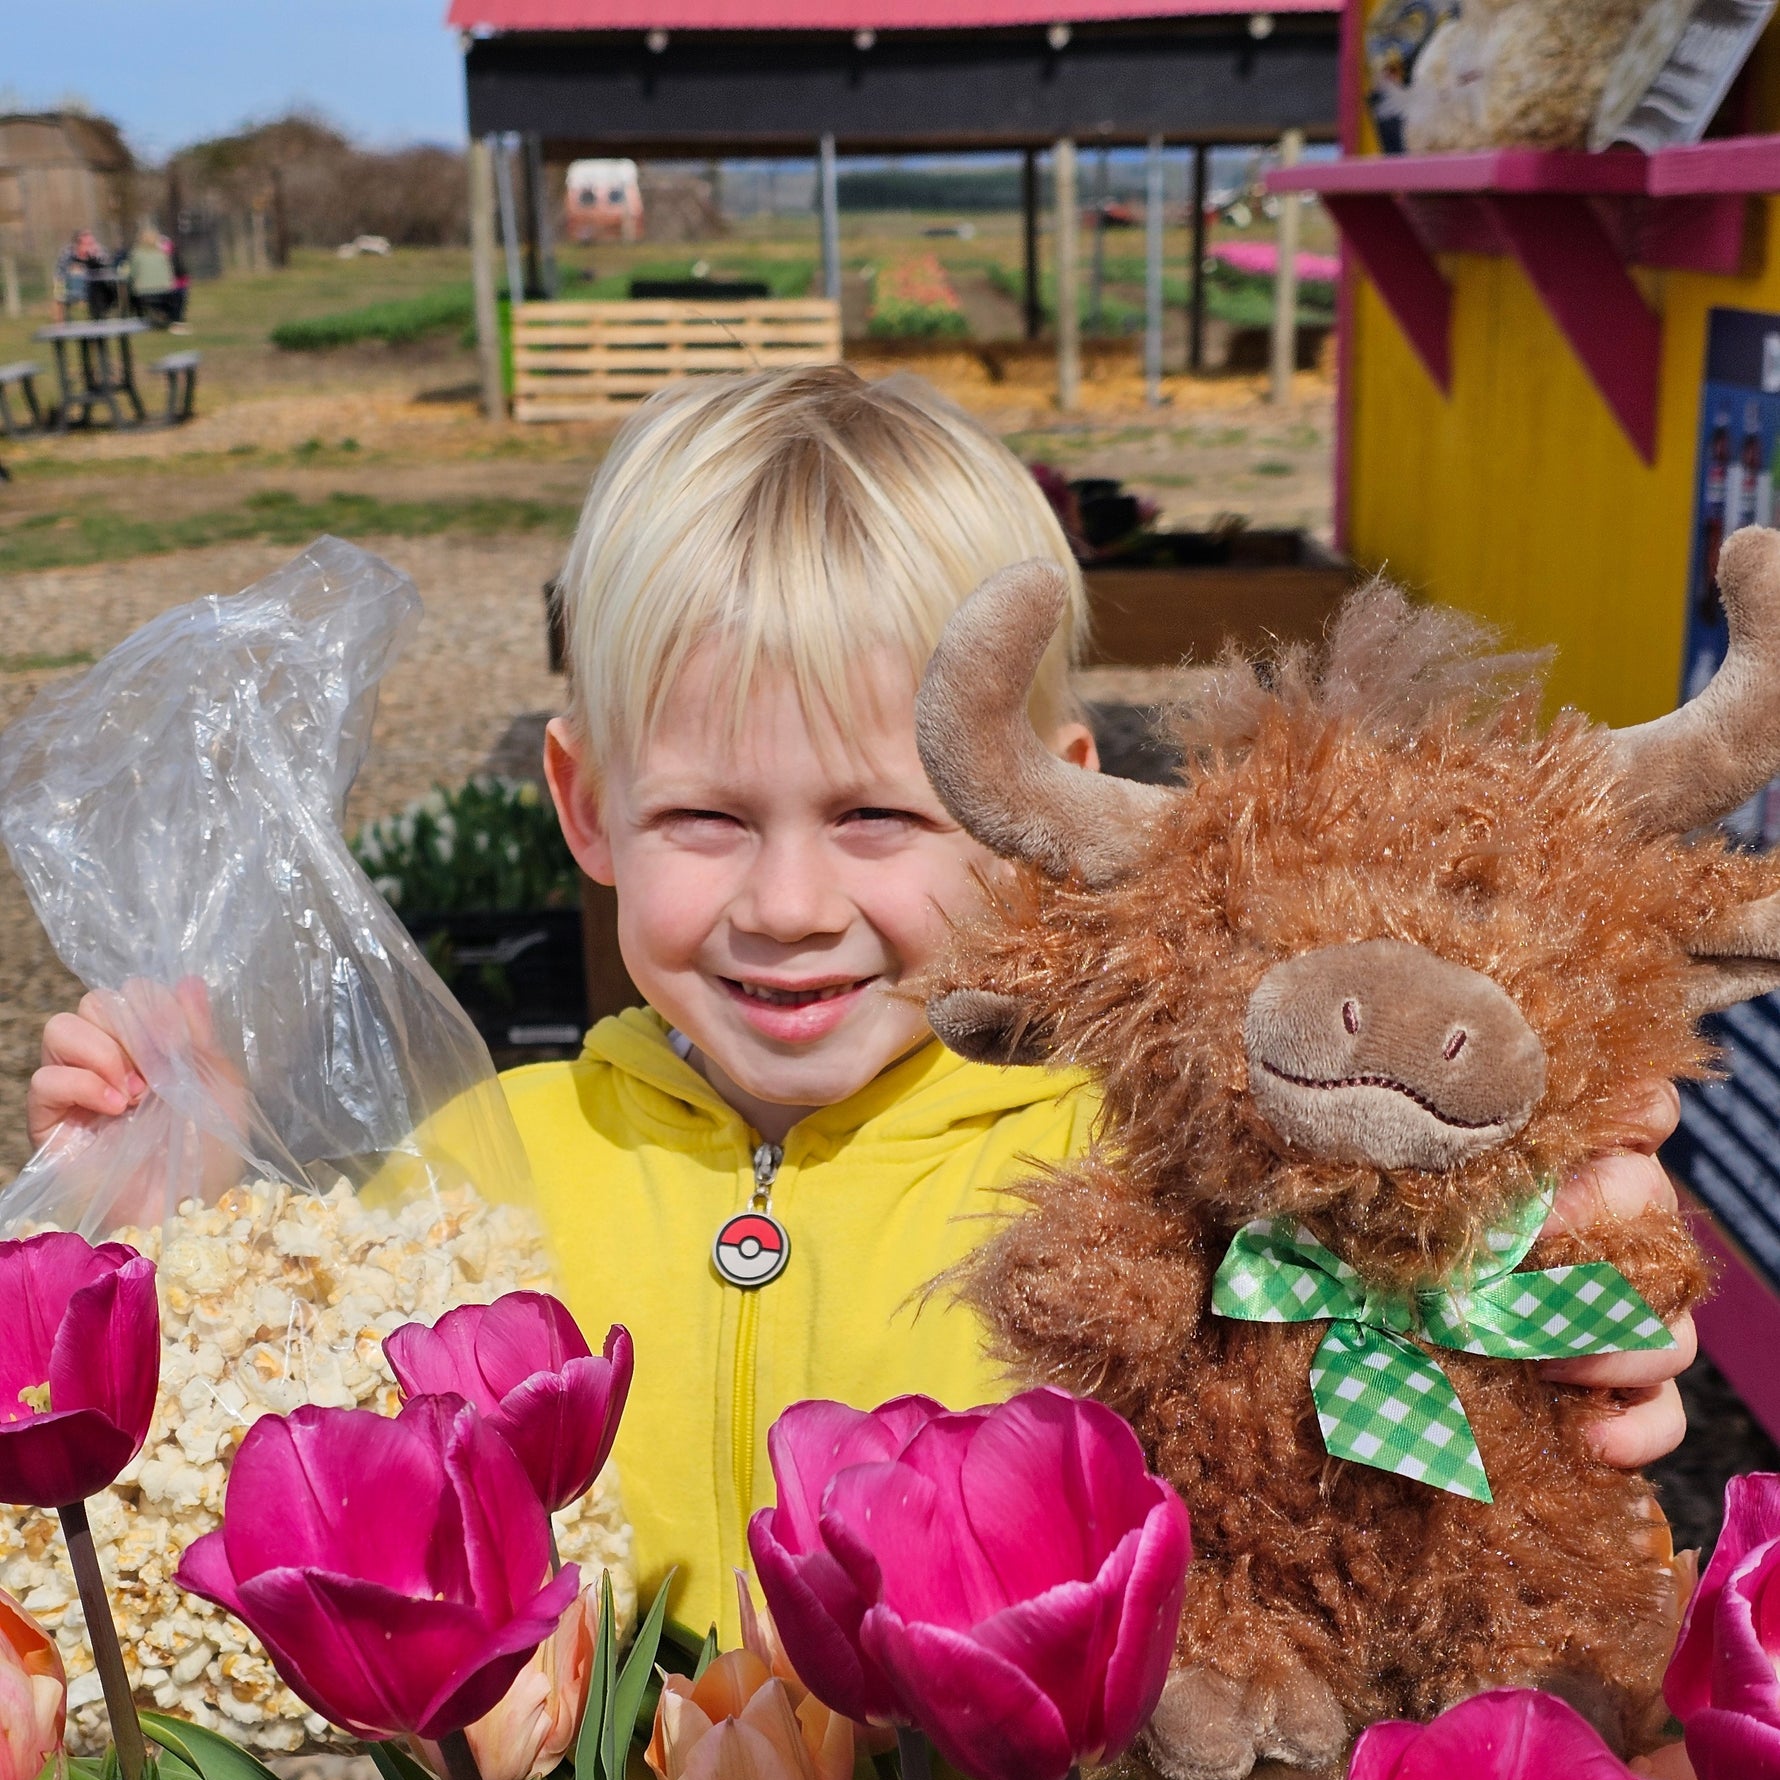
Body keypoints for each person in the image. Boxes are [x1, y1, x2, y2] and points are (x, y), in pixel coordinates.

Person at [27, 366, 1694, 1644]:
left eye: (880, 817)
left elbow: (1384, 1383)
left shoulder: (1156, 1180)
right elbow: (302, 1479)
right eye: (705, 819)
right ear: (585, 803)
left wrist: (1558, 1326)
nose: (789, 904)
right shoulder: (478, 1170)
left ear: (1042, 811)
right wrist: (181, 1239)